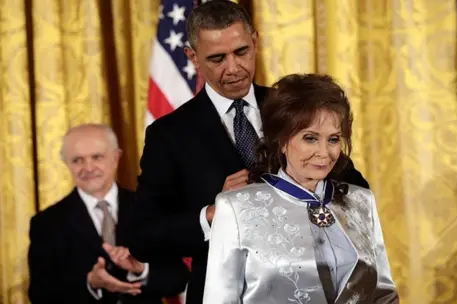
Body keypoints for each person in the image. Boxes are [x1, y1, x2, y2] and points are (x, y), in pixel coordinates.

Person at [129, 1, 369, 303]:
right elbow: (142, 236)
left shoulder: (294, 110)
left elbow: (358, 191)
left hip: (311, 290)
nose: (233, 68)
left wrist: (302, 188)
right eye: (217, 58)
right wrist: (213, 214)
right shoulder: (169, 134)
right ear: (193, 57)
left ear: (254, 41)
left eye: (241, 52)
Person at [203, 74, 399, 304]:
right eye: (310, 138)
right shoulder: (236, 208)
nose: (324, 153)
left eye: (334, 139)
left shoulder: (360, 201)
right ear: (282, 140)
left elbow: (383, 294)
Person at [27, 124, 189, 304]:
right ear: (66, 163)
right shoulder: (46, 223)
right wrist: (90, 283)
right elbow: (40, 295)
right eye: (77, 160)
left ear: (116, 158)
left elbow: (178, 279)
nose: (88, 168)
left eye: (97, 157)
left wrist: (141, 269)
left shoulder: (150, 208)